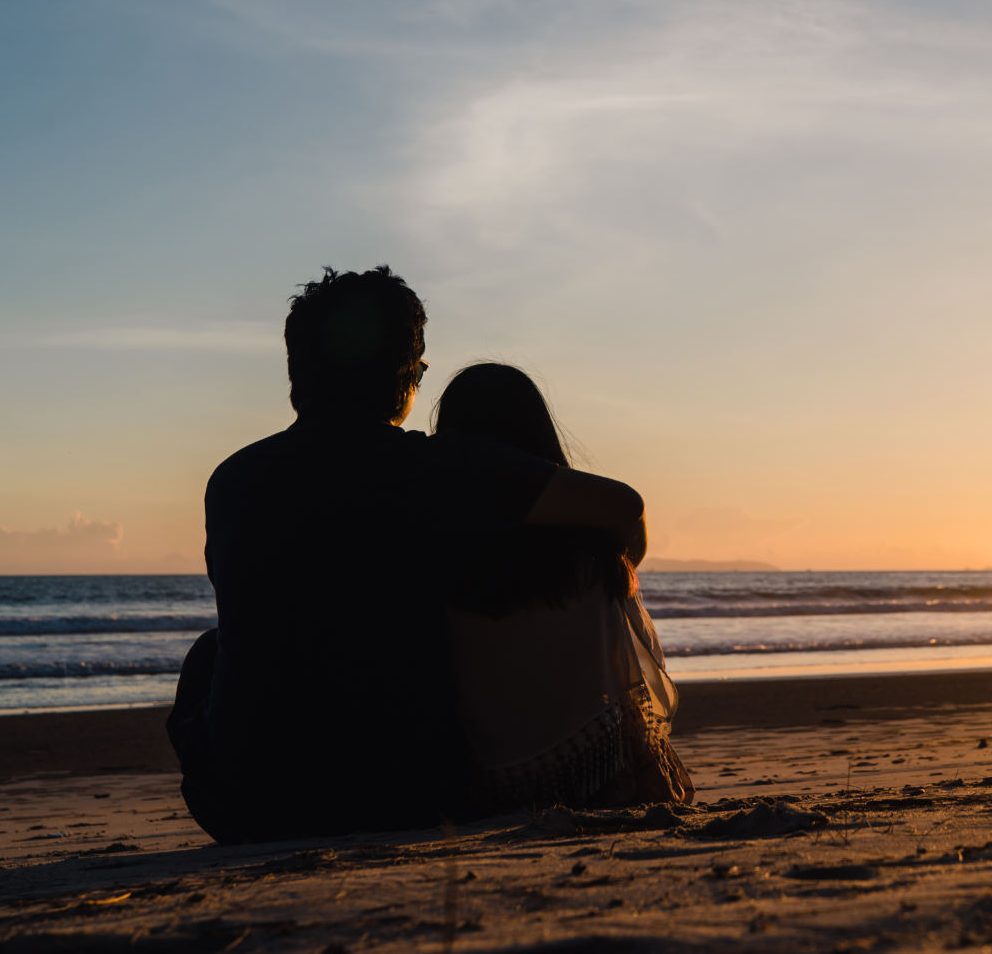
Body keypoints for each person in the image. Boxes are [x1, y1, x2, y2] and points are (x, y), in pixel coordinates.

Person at [167, 266, 648, 843]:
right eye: (418, 368)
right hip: (406, 796)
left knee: (210, 651)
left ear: (297, 372)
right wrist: (609, 586)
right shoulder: (445, 467)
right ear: (404, 378)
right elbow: (623, 507)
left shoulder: (233, 480)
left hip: (245, 804)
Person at [432, 363, 694, 811]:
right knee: (612, 583)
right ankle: (639, 766)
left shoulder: (437, 544)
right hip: (594, 769)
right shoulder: (589, 552)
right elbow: (632, 527)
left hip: (485, 774)